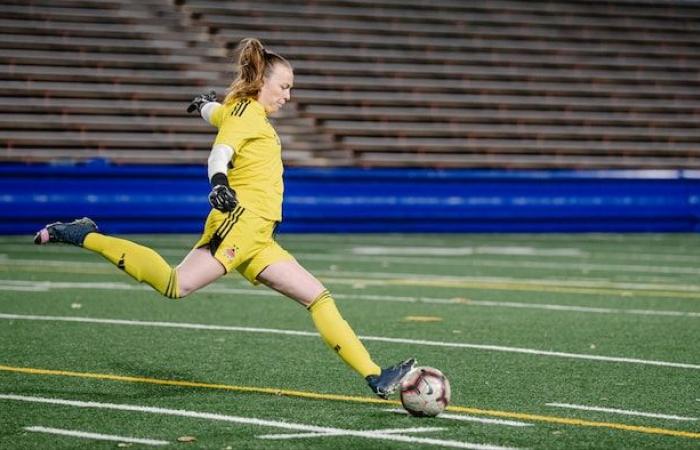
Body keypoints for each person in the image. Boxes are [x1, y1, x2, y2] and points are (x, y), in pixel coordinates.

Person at [34, 37, 415, 399]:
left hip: (260, 238)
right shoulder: (248, 113)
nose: (288, 96)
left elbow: (219, 116)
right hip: (240, 222)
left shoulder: (241, 109)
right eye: (283, 86)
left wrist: (202, 105)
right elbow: (220, 152)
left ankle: (375, 376)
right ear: (262, 83)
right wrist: (218, 181)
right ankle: (85, 234)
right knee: (175, 285)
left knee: (318, 297)